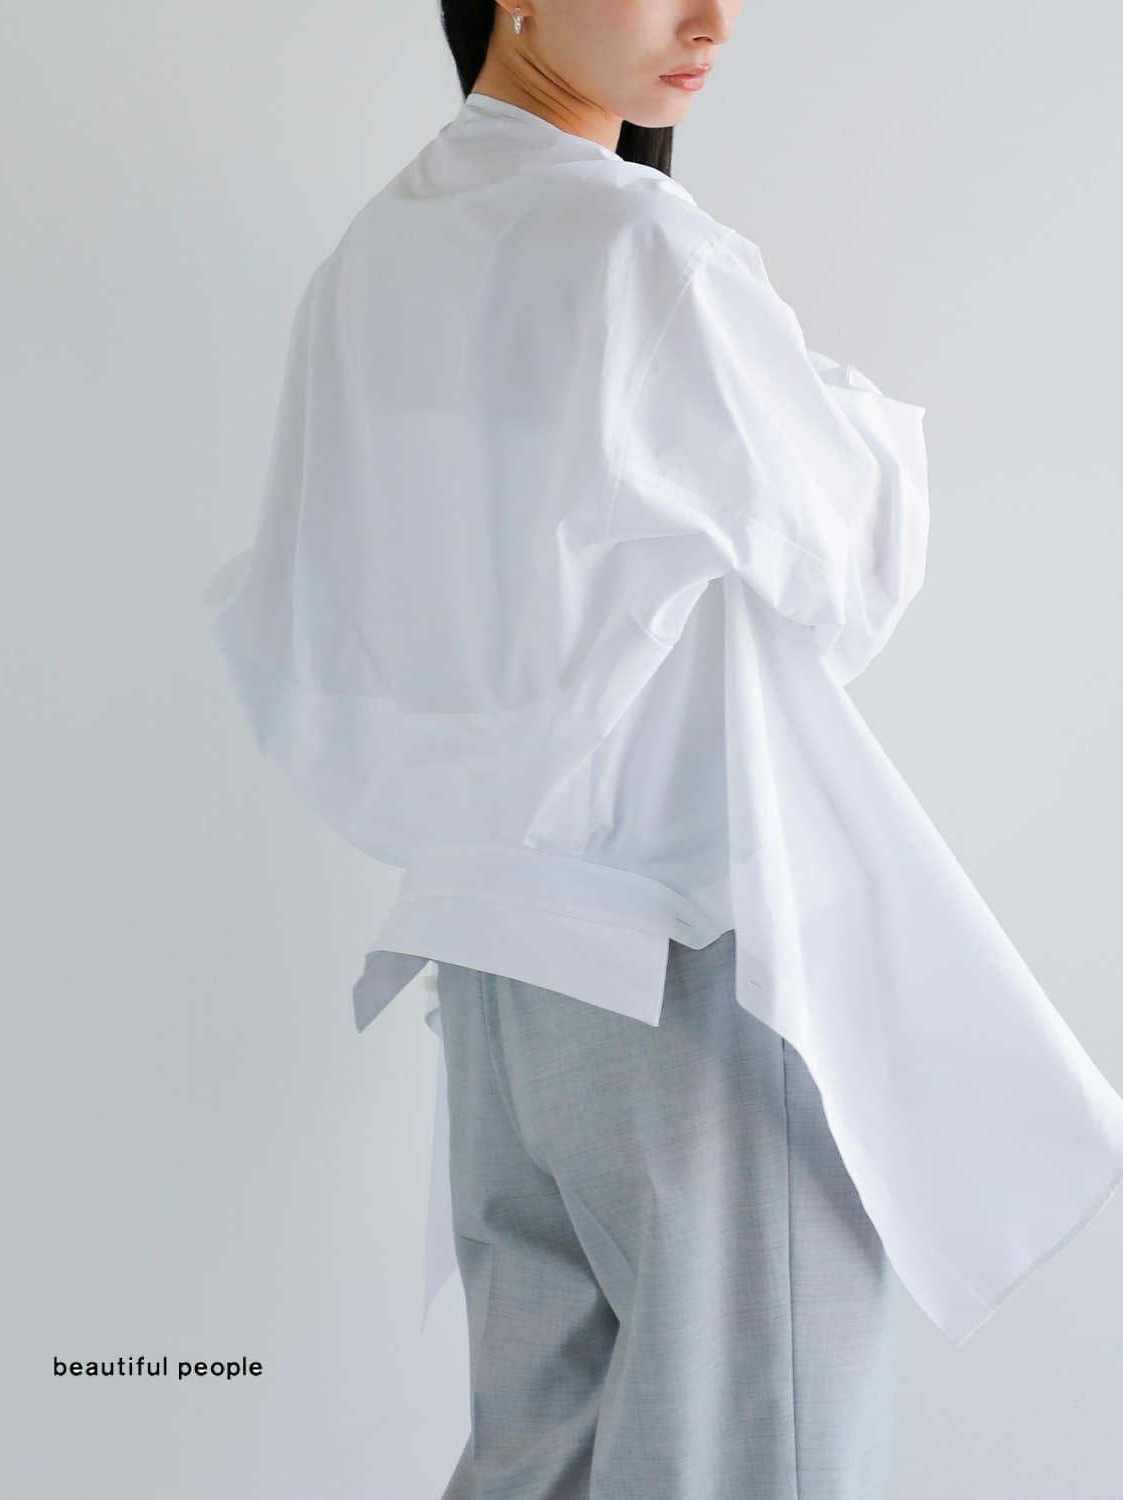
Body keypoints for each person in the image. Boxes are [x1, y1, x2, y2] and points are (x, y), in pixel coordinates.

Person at [199, 2, 1123, 1496]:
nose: (713, 19)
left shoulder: (367, 265)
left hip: (492, 971)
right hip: (679, 960)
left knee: (538, 1460)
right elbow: (851, 558)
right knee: (758, 1457)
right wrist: (840, 409)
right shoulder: (636, 244)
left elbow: (302, 639)